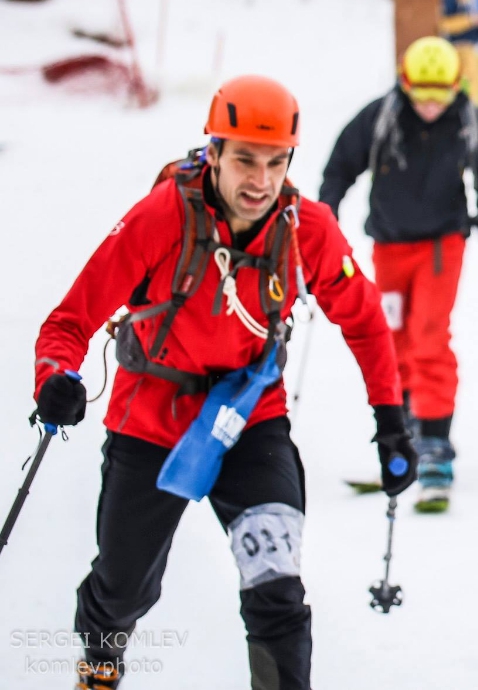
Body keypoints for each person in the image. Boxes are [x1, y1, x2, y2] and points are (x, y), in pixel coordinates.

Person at [32, 75, 416, 690]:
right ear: (213, 152)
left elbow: (367, 322)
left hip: (247, 416)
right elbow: (70, 321)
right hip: (151, 418)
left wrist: (392, 423)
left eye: (275, 162)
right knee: (123, 587)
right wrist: (56, 380)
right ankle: (100, 665)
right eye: (243, 159)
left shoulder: (305, 229)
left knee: (276, 587)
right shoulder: (161, 218)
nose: (259, 181)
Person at [319, 36, 478, 513]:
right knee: (390, 338)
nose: (429, 103)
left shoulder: (466, 118)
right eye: (420, 92)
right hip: (389, 245)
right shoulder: (381, 117)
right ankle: (401, 435)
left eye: (438, 93)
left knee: (428, 337)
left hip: (442, 245)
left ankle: (436, 445)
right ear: (404, 83)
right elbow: (340, 165)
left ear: (454, 86)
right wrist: (326, 212)